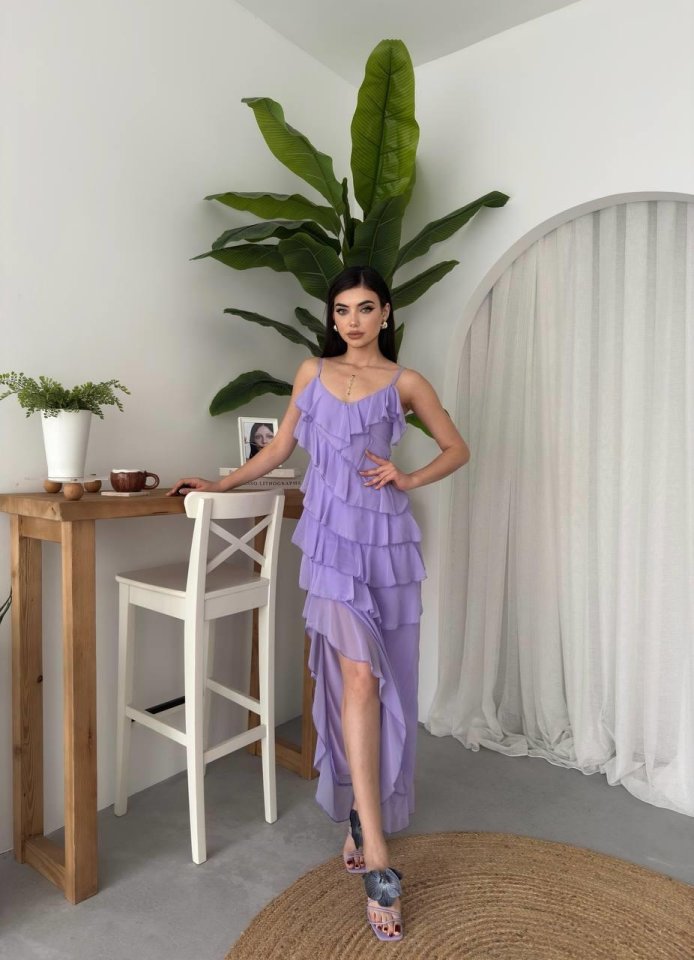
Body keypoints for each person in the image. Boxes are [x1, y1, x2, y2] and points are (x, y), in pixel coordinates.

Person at [169, 265, 470, 941]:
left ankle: (363, 820)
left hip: (385, 545)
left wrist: (407, 476)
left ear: (386, 314)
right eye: (342, 310)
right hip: (332, 547)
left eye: (365, 308)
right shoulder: (311, 372)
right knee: (355, 679)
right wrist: (218, 484)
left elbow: (458, 448)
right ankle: (380, 857)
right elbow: (280, 447)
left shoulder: (407, 382)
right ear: (332, 317)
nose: (352, 321)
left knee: (386, 680)